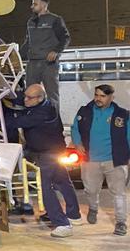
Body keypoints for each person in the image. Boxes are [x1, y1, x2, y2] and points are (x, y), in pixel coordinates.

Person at [5, 84, 82, 238]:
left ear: (40, 98)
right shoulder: (41, 103)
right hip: (51, 151)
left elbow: (14, 123)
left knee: (45, 187)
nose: (25, 100)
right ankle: (74, 214)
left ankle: (62, 223)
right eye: (25, 96)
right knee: (62, 182)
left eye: (29, 98)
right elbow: (19, 99)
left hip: (49, 153)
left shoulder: (43, 112)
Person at [71, 84, 130, 236]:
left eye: (102, 96)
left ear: (111, 97)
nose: (98, 99)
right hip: (90, 159)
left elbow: (129, 136)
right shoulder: (84, 111)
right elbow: (75, 128)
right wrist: (77, 143)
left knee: (119, 193)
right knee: (90, 190)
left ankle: (121, 223)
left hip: (115, 160)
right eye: (96, 95)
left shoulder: (122, 115)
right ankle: (93, 208)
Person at [19, 0, 70, 109]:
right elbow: (28, 42)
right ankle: (32, 122)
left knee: (52, 95)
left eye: (35, 4)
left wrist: (56, 51)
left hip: (49, 63)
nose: (32, 6)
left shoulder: (55, 20)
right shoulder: (30, 22)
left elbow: (65, 38)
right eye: (32, 4)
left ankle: (55, 123)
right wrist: (17, 57)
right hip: (32, 63)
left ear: (44, 5)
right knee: (30, 94)